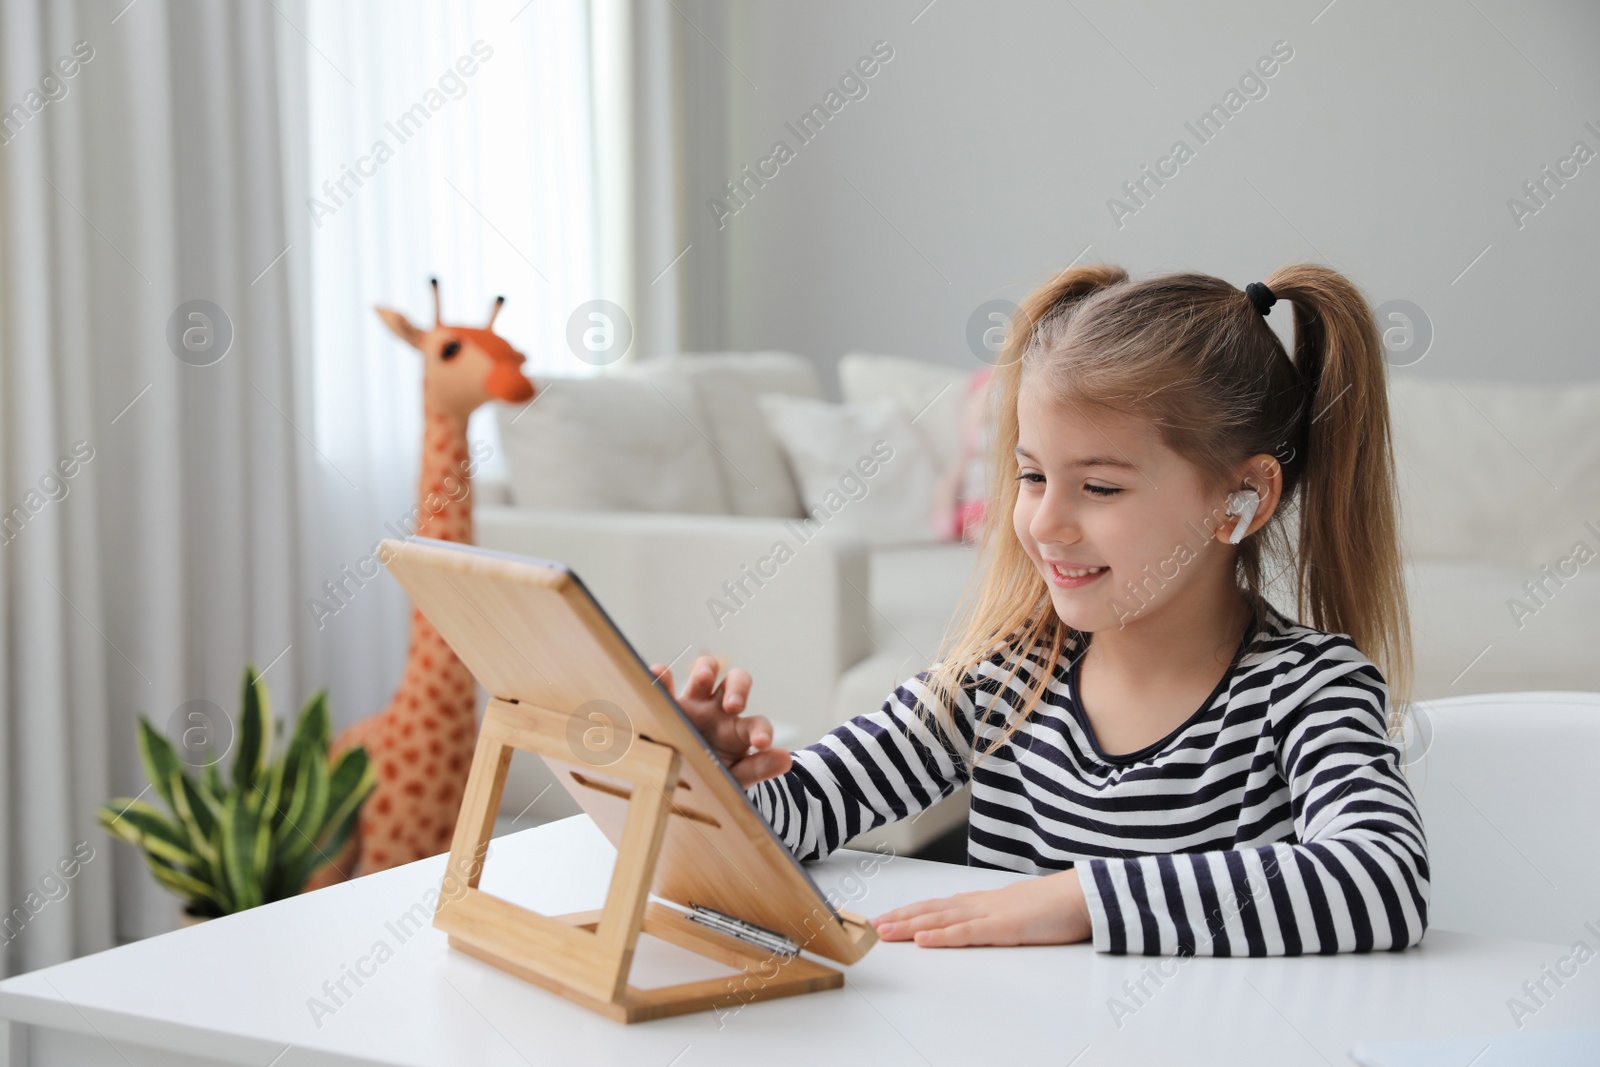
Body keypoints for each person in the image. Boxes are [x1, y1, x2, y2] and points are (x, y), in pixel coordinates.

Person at [650, 264, 1427, 957]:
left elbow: (1382, 877)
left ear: (1242, 498)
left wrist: (1077, 898)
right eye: (1030, 476)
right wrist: (706, 779)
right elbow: (801, 814)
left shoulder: (1309, 690)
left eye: (1100, 486)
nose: (1045, 523)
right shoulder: (1001, 680)